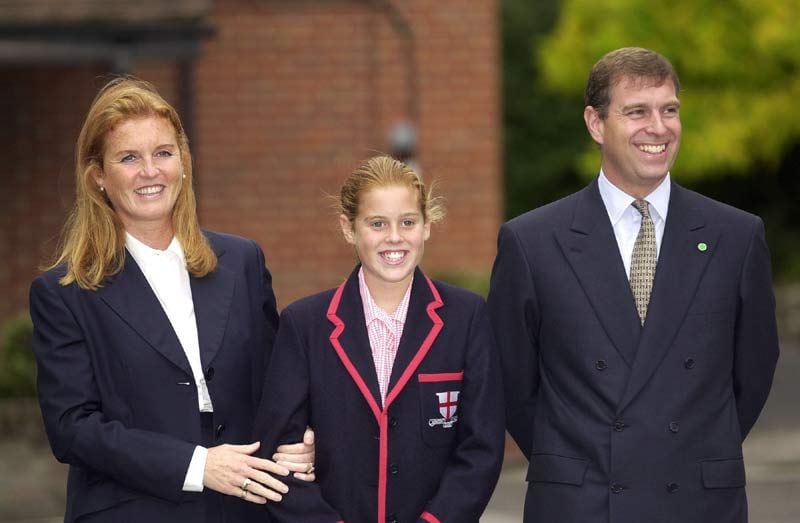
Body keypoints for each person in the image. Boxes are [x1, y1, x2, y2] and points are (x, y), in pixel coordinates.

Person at [487, 47, 779, 522]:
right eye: (637, 111)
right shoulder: (531, 241)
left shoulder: (737, 236)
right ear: (596, 123)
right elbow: (513, 382)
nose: (659, 127)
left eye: (669, 110)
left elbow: (754, 370)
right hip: (581, 503)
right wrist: (577, 457)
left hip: (697, 501)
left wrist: (690, 448)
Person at [29, 77, 316, 523]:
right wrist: (199, 466)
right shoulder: (65, 293)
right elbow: (73, 429)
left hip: (248, 509)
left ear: (183, 162)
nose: (150, 171)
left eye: (163, 153)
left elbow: (277, 387)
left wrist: (302, 438)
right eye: (129, 158)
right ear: (98, 176)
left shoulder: (242, 261)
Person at [253, 155, 505, 522]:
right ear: (348, 228)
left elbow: (481, 448)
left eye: (408, 222)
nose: (395, 237)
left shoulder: (466, 317)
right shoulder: (304, 325)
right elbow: (277, 452)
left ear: (427, 225)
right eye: (377, 223)